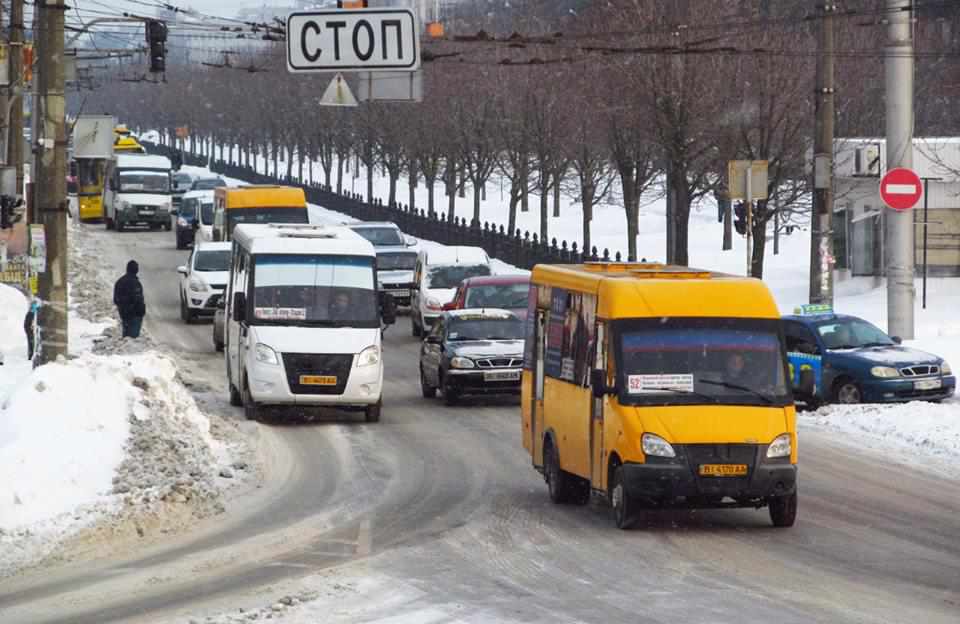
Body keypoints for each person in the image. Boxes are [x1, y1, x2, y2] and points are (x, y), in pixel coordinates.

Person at [113, 260, 146, 338]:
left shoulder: (120, 281)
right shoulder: (135, 283)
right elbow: (138, 299)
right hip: (135, 315)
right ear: (136, 270)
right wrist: (140, 310)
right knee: (133, 338)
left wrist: (122, 308)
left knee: (126, 336)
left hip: (124, 314)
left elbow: (116, 299)